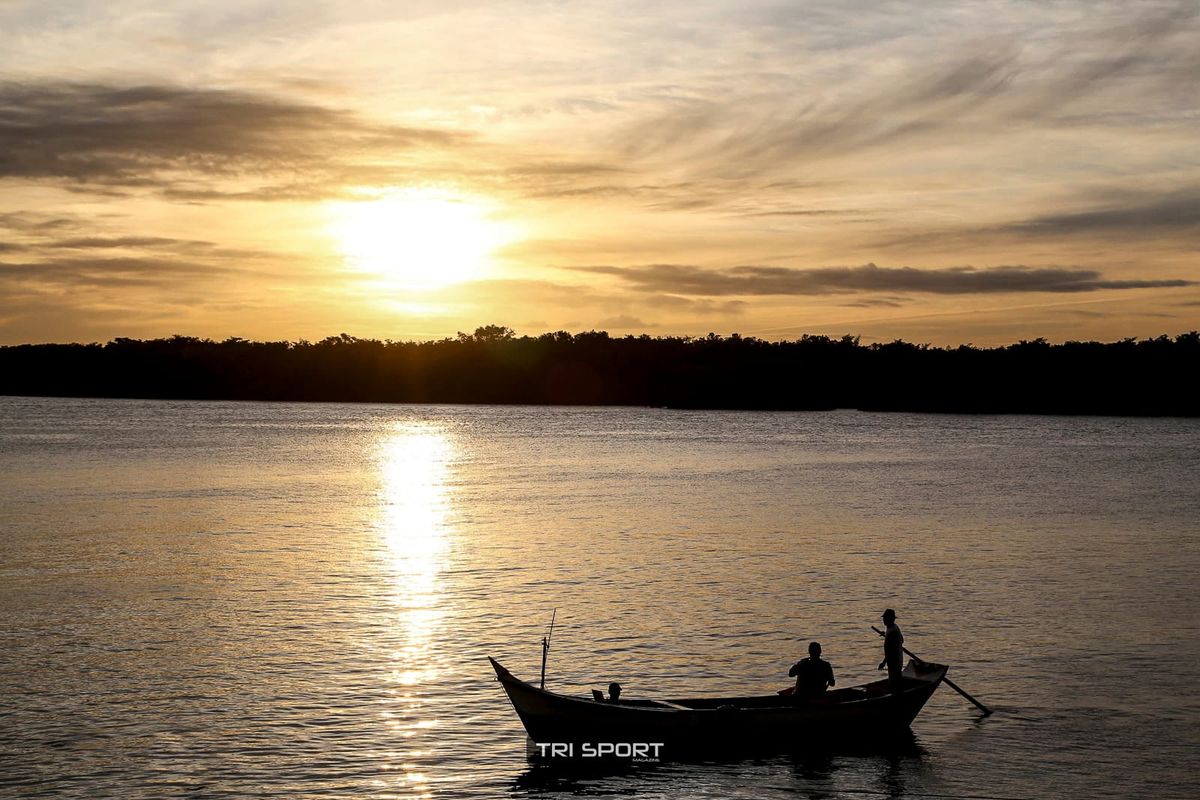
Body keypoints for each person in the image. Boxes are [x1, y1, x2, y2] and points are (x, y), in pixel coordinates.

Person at [877, 609, 904, 692]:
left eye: (886, 618)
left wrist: (883, 662)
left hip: (894, 662)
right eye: (884, 618)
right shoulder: (894, 627)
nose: (884, 620)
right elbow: (902, 640)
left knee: (894, 683)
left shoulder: (893, 632)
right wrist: (885, 634)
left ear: (891, 619)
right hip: (896, 661)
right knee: (895, 681)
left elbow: (891, 652)